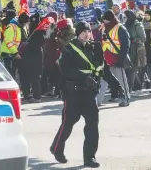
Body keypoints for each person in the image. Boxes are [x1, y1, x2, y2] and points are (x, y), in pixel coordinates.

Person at [50, 21, 124, 168]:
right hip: (73, 93)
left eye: (88, 31)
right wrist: (84, 78)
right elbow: (66, 70)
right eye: (83, 31)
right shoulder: (69, 49)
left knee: (92, 124)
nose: (86, 34)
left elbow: (103, 69)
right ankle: (57, 148)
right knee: (68, 123)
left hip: (89, 93)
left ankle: (89, 157)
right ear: (77, 33)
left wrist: (116, 85)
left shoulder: (96, 48)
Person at [98, 10, 131, 107]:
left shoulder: (120, 28)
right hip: (105, 60)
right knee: (102, 82)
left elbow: (126, 45)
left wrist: (121, 60)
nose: (105, 22)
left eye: (106, 20)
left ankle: (126, 99)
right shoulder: (104, 27)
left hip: (116, 60)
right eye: (104, 20)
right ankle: (98, 101)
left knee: (122, 81)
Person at [0, 12, 30, 78]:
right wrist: (15, 53)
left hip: (12, 54)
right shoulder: (12, 27)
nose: (26, 25)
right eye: (25, 23)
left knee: (12, 73)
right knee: (9, 75)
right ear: (23, 22)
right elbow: (8, 41)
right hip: (7, 54)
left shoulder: (18, 27)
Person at [124, 10, 146, 95]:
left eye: (125, 16)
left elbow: (143, 38)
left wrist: (134, 40)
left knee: (133, 69)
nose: (124, 18)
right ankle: (136, 87)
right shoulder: (126, 24)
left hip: (136, 49)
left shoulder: (137, 24)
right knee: (130, 69)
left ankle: (132, 89)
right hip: (128, 49)